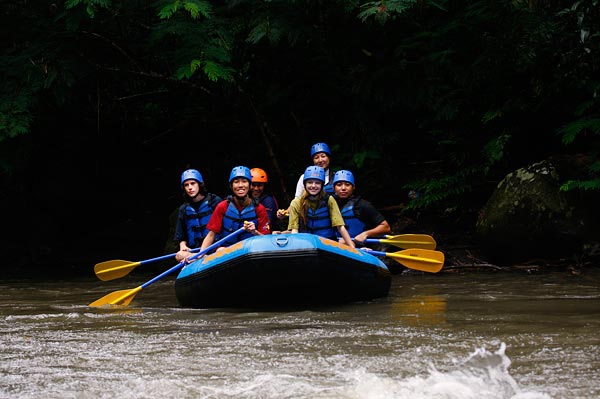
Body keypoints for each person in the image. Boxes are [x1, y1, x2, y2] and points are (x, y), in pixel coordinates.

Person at [198, 166, 271, 254]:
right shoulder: (222, 206)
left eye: (244, 181)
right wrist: (200, 255)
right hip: (227, 253)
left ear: (250, 185)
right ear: (231, 186)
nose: (240, 185)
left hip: (249, 253)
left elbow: (266, 240)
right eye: (236, 182)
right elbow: (211, 235)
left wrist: (254, 231)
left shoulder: (259, 209)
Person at [286, 165, 355, 248]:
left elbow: (340, 226)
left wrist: (352, 246)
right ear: (304, 184)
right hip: (307, 244)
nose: (313, 186)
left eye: (317, 183)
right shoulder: (296, 203)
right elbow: (294, 230)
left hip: (327, 244)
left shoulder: (329, 200)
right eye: (310, 182)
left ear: (322, 185)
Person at [276, 142, 334, 221]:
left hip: (331, 219)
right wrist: (285, 213)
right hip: (310, 219)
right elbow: (298, 201)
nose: (320, 160)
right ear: (313, 160)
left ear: (329, 158)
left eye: (323, 156)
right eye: (316, 157)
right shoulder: (304, 177)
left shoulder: (337, 178)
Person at [174, 169, 222, 262]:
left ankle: (199, 258)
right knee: (179, 255)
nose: (190, 187)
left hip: (215, 247)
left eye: (193, 183)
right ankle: (198, 257)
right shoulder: (183, 209)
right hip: (194, 250)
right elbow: (181, 237)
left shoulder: (214, 201)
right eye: (186, 185)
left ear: (200, 184)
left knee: (221, 250)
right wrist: (183, 246)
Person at [332, 169, 391, 245]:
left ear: (353, 187)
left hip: (359, 248)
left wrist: (365, 234)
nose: (343, 188)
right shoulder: (328, 204)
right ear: (334, 188)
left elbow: (386, 227)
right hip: (333, 246)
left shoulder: (363, 205)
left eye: (347, 184)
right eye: (339, 185)